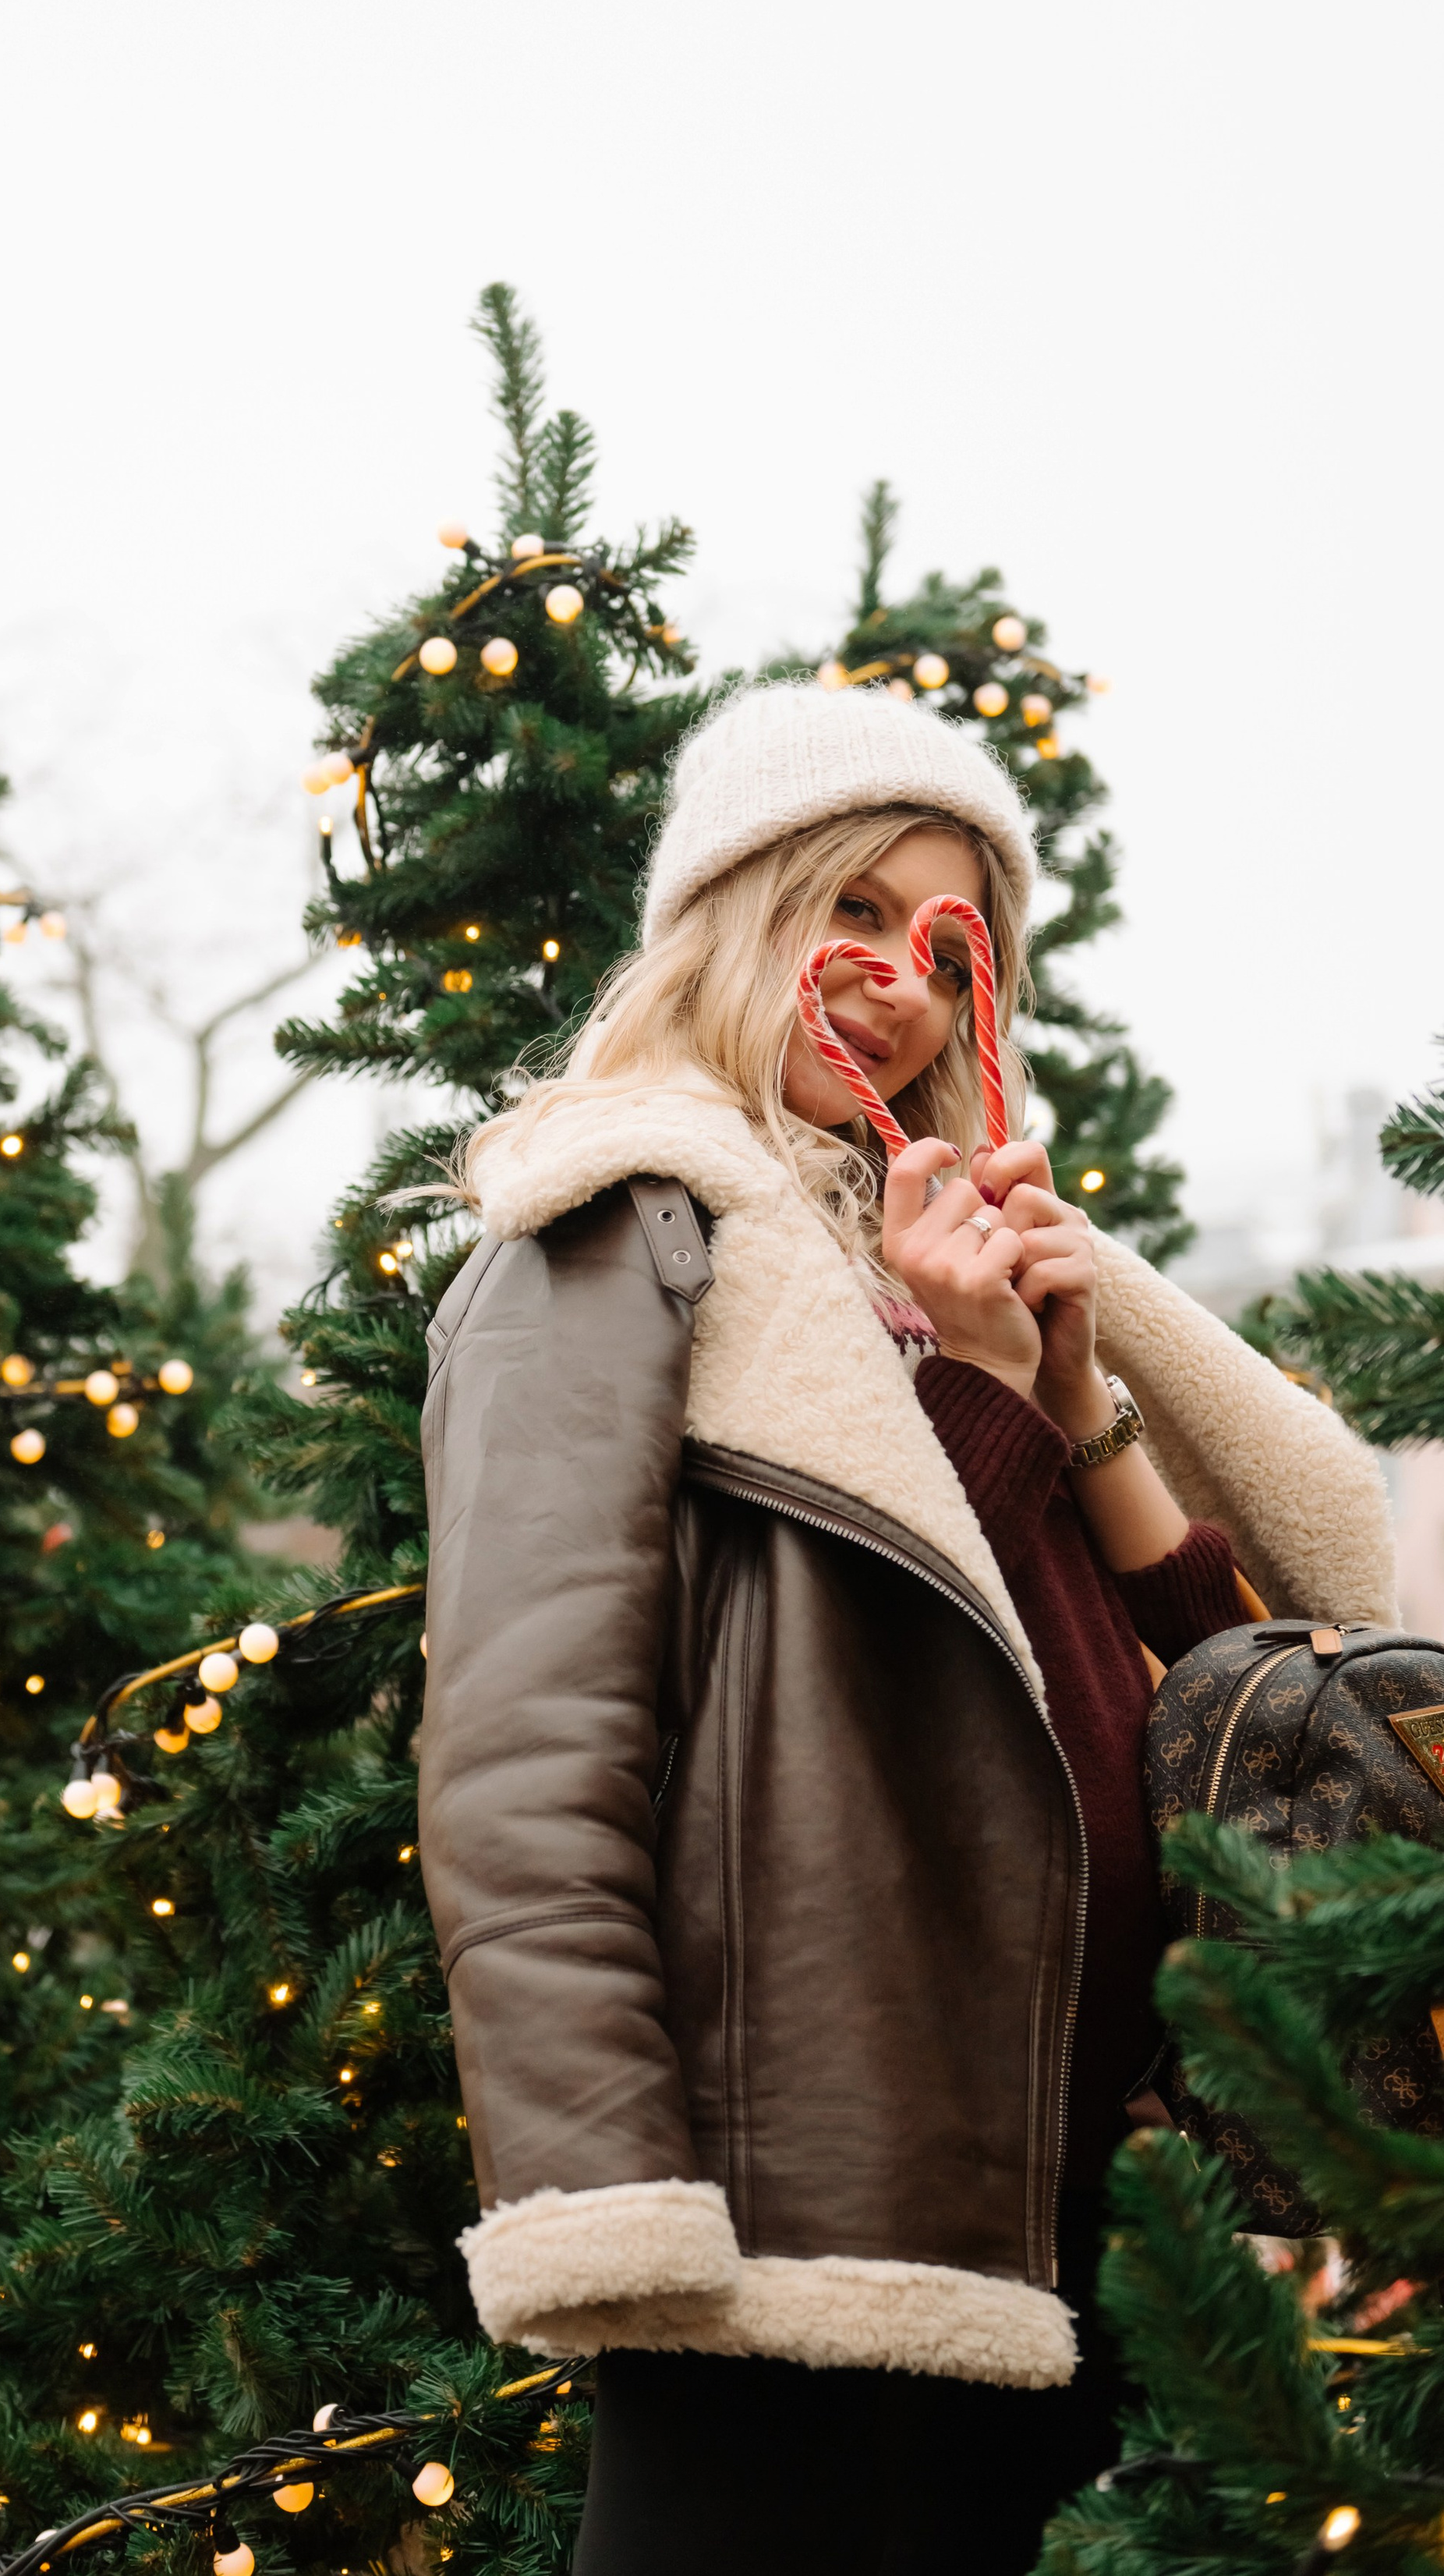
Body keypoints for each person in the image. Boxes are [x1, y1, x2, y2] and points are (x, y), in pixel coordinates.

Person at [416, 682, 1395, 2575]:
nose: (893, 978)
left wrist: (1064, 1388)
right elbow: (528, 1764)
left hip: (1090, 2216)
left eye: (946, 944)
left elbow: (1203, 1697)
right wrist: (610, 2208)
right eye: (847, 912)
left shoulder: (958, 1261)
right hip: (802, 2237)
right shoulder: (614, 1237)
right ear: (735, 913)